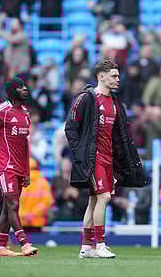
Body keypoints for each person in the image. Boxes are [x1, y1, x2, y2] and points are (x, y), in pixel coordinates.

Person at [65, 59, 148, 259]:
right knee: (104, 197)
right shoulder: (86, 98)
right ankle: (100, 244)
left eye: (118, 76)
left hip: (109, 159)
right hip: (93, 159)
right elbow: (70, 127)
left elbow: (120, 136)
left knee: (94, 201)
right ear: (101, 76)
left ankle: (86, 246)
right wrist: (81, 155)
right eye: (114, 76)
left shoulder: (115, 102)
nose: (118, 79)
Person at [0, 77, 38, 257]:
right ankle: (25, 244)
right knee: (13, 204)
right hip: (5, 165)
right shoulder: (0, 111)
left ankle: (0, 247)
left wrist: (26, 171)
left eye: (25, 86)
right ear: (12, 92)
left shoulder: (26, 113)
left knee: (7, 208)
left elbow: (26, 146)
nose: (25, 89)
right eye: (20, 87)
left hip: (20, 168)